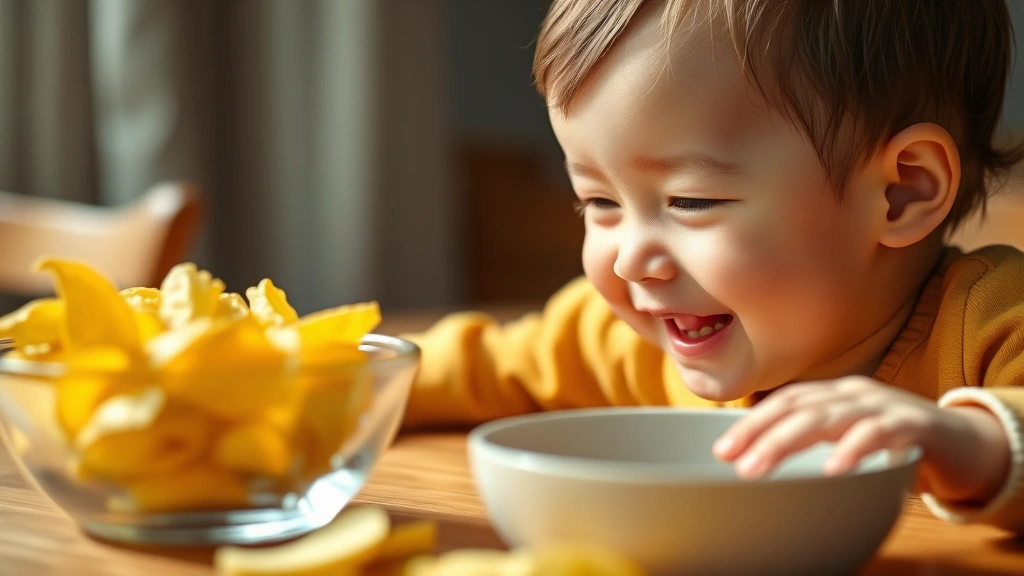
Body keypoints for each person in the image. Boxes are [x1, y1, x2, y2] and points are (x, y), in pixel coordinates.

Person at [403, 0, 1024, 532]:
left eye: (691, 200)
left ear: (902, 191)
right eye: (599, 201)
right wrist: (337, 380)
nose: (629, 261)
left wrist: (971, 443)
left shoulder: (991, 321)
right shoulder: (626, 340)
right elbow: (473, 367)